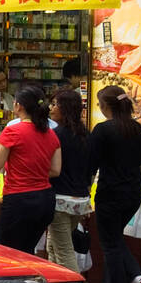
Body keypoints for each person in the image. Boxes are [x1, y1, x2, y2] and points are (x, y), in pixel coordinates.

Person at [0, 86, 62, 255]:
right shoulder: (51, 133)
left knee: (6, 252)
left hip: (19, 199)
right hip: (45, 200)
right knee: (27, 251)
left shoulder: (12, 131)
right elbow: (55, 170)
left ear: (19, 106)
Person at [91, 85, 141, 283]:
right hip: (133, 194)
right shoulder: (137, 130)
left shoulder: (103, 130)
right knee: (115, 239)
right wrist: (138, 189)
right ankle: (134, 277)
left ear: (106, 106)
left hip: (110, 193)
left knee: (110, 245)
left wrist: (84, 191)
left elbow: (91, 165)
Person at [47, 89, 92, 272]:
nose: (51, 108)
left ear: (65, 108)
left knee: (64, 250)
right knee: (53, 245)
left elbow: (51, 167)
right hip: (80, 200)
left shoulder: (56, 135)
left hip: (60, 200)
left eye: (55, 104)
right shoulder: (86, 135)